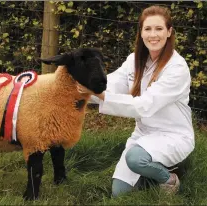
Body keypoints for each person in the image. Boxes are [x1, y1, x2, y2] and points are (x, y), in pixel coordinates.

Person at [77, 5, 195, 197]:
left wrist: (101, 96)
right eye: (147, 29)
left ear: (169, 32)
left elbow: (144, 105)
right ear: (140, 32)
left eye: (159, 29)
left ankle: (169, 179)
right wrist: (80, 91)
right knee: (119, 193)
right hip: (143, 134)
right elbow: (111, 84)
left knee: (135, 159)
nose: (153, 35)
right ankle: (150, 170)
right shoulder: (134, 59)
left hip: (173, 135)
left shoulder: (177, 68)